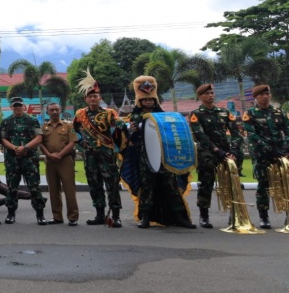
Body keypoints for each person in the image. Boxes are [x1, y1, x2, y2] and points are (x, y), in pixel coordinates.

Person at [123, 76, 195, 229]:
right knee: (147, 187)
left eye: (151, 100)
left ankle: (179, 218)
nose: (148, 102)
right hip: (144, 158)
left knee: (171, 186)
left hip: (165, 157)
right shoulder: (134, 117)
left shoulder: (165, 117)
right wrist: (131, 132)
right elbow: (128, 139)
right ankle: (145, 217)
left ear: (155, 100)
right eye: (145, 100)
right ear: (140, 101)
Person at [72, 69, 125, 227]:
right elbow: (74, 130)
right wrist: (81, 143)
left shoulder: (109, 113)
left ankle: (115, 216)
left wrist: (128, 127)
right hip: (89, 156)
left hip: (106, 155)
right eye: (90, 96)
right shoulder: (80, 114)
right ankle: (99, 214)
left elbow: (120, 126)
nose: (93, 98)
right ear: (85, 98)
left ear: (99, 98)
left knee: (112, 185)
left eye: (95, 96)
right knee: (94, 185)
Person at [188, 83, 243, 228]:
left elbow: (236, 132)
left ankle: (234, 214)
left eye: (212, 93)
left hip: (226, 152)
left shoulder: (224, 112)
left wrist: (235, 149)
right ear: (200, 97)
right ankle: (204, 216)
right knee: (206, 183)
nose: (210, 95)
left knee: (232, 183)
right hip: (208, 153)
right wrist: (216, 150)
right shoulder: (196, 114)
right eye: (207, 94)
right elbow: (200, 135)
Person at [241, 84, 289, 229]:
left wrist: (285, 148)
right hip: (262, 155)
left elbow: (288, 130)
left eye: (267, 94)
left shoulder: (278, 112)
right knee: (263, 186)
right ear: (256, 97)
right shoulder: (250, 113)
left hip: (281, 154)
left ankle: (288, 217)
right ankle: (264, 217)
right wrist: (270, 150)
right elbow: (252, 134)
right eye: (262, 95)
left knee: (286, 185)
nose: (265, 97)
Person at [0, 97, 47, 226]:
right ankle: (11, 214)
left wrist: (25, 147)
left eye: (19, 105)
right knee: (11, 188)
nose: (18, 108)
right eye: (15, 106)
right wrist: (14, 148)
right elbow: (3, 139)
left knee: (34, 187)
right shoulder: (6, 122)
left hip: (30, 159)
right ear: (11, 107)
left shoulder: (32, 120)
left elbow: (39, 138)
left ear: (23, 106)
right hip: (12, 160)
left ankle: (40, 214)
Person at [39, 102, 79, 226]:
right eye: (52, 110)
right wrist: (48, 155)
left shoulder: (68, 126)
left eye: (56, 109)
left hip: (65, 160)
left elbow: (72, 143)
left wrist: (60, 154)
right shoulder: (43, 127)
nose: (55, 112)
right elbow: (40, 143)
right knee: (53, 189)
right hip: (50, 161)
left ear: (60, 110)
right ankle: (57, 216)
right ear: (47, 112)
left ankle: (72, 217)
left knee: (69, 189)